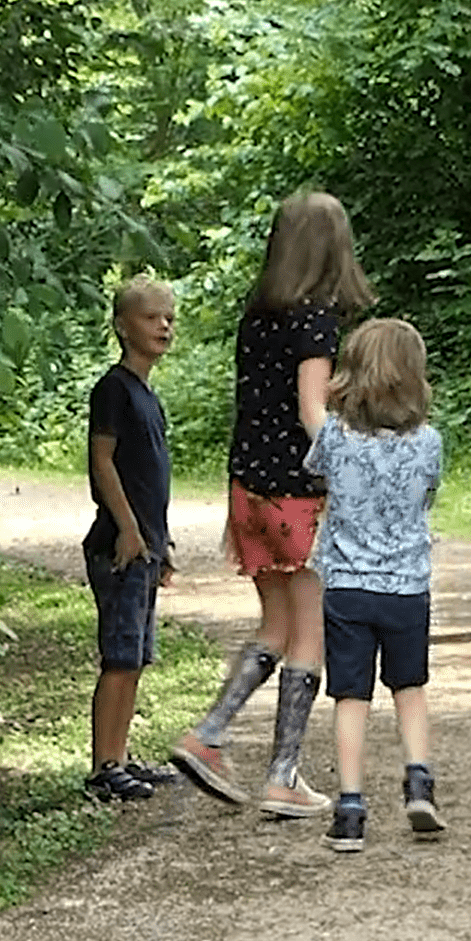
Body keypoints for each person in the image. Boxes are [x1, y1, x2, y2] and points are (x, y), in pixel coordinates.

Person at [171, 191, 371, 819]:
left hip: (248, 487)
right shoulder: (316, 319)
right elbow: (312, 413)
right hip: (296, 493)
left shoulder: (257, 314)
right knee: (310, 631)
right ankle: (283, 776)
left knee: (275, 626)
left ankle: (207, 736)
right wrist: (352, 470)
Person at [302, 319, 445, 851]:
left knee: (351, 695)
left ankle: (350, 808)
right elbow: (427, 495)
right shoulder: (428, 442)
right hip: (406, 586)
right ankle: (419, 781)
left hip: (348, 587)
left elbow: (316, 475)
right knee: (409, 687)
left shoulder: (334, 437)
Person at [82, 275, 183, 802]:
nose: (163, 326)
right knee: (119, 658)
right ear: (123, 326)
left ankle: (119, 757)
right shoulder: (113, 390)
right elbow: (102, 462)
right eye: (151, 317)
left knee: (137, 656)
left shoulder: (148, 395)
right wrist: (126, 526)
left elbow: (152, 478)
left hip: (145, 545)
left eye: (169, 318)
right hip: (119, 545)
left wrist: (160, 543)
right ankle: (103, 768)